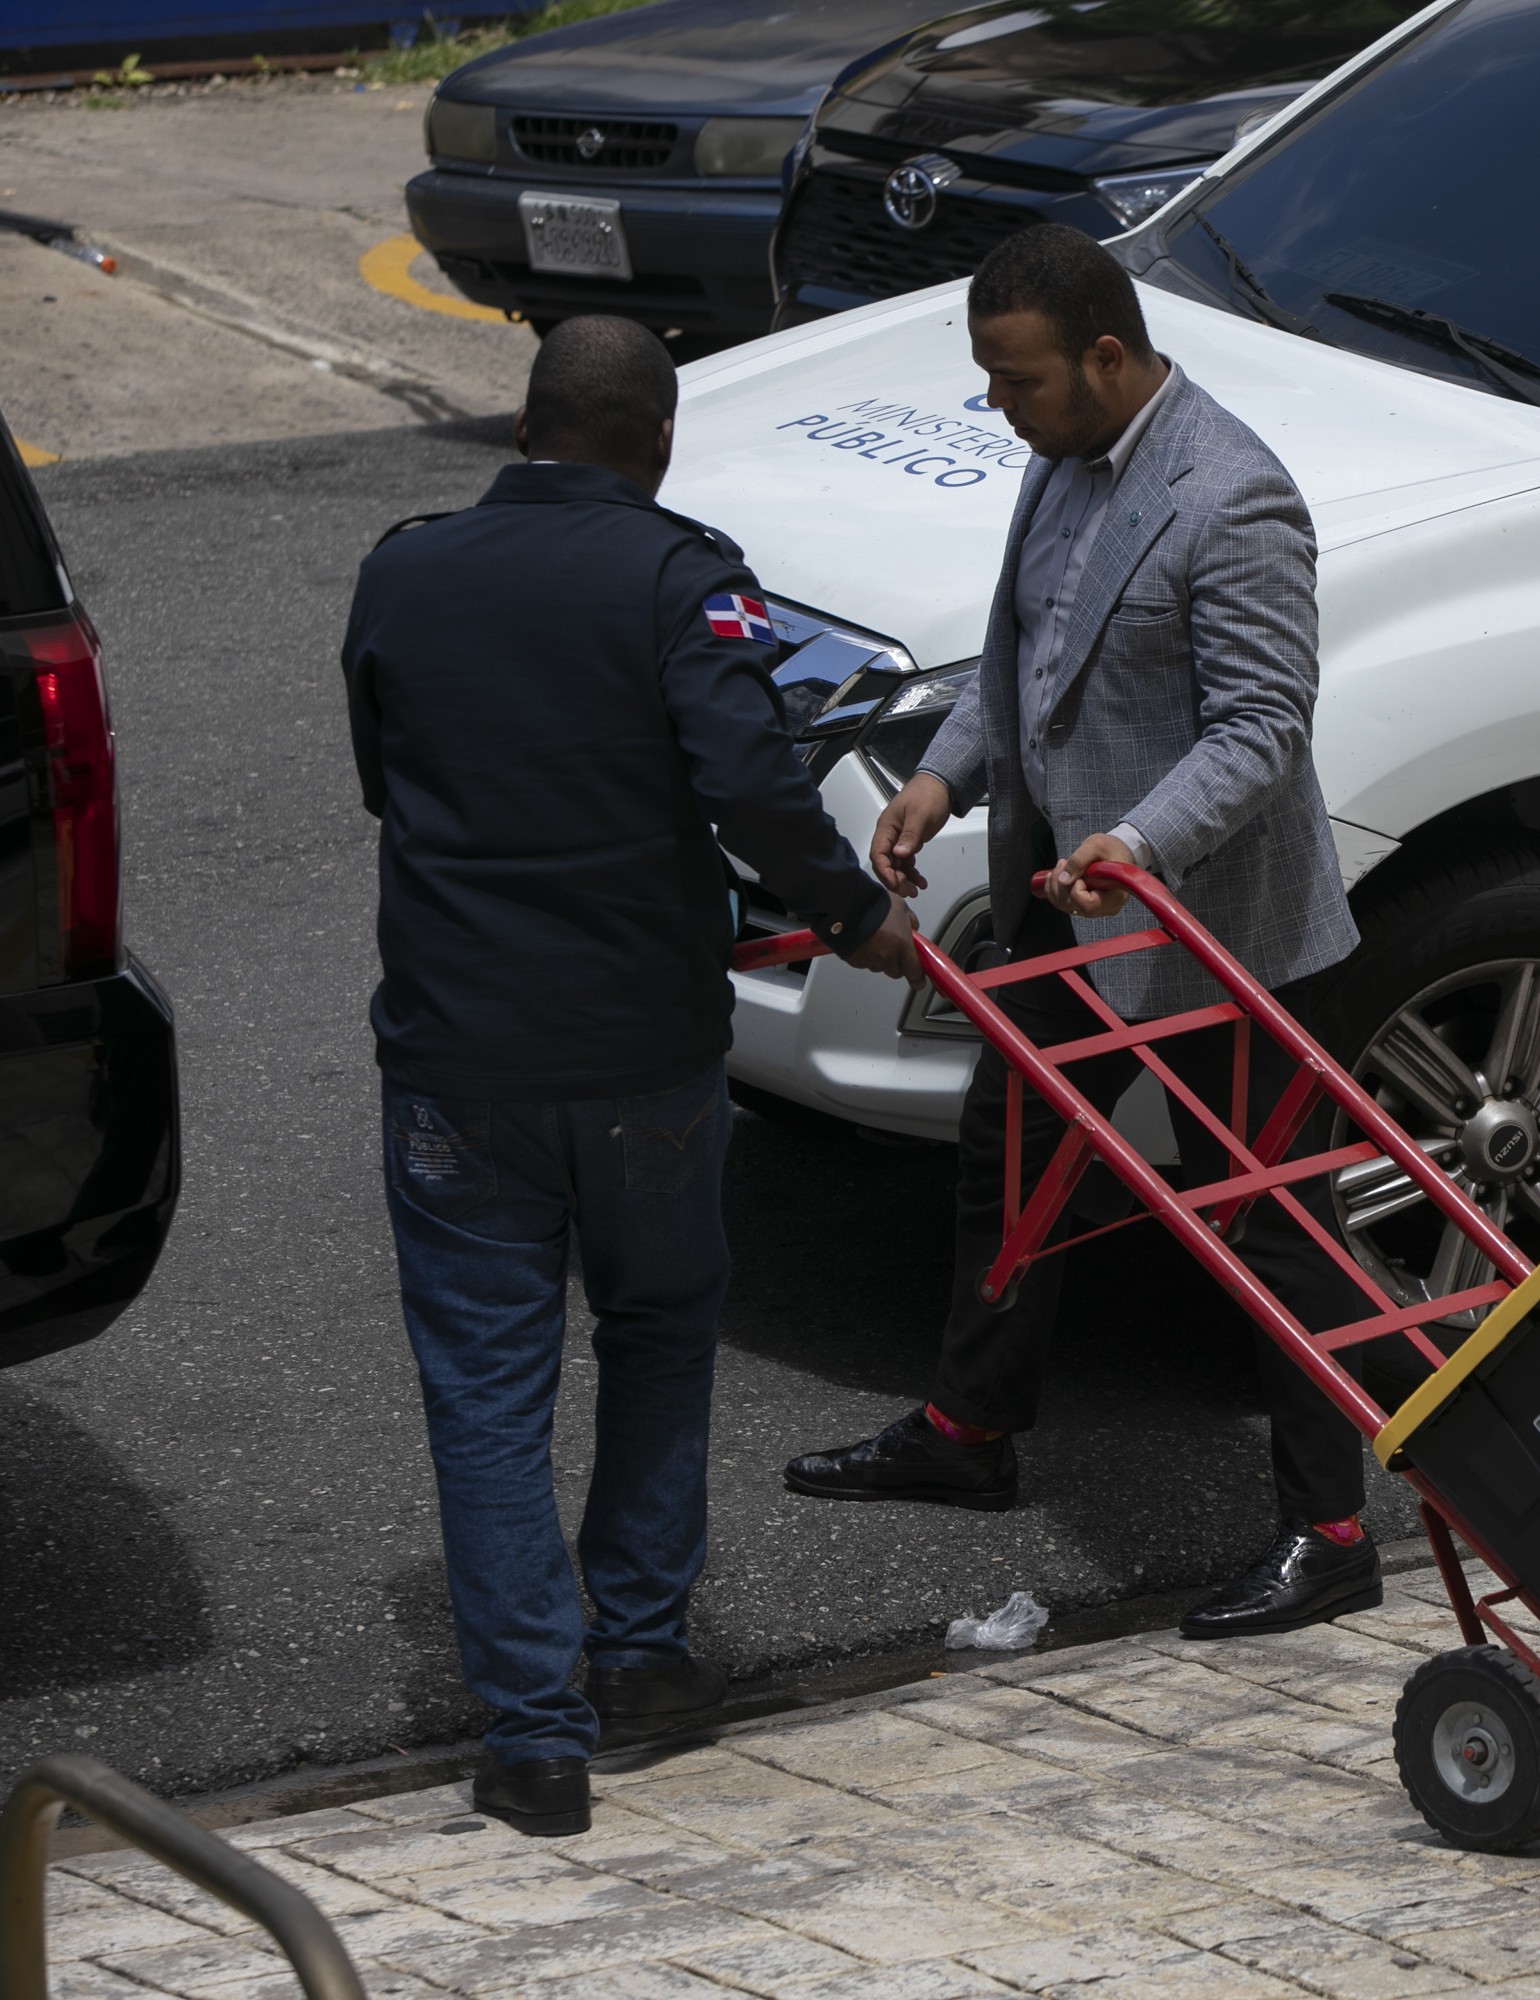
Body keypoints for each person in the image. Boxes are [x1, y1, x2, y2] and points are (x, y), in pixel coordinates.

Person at [343, 315, 920, 1838]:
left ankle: (535, 1746)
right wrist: (855, 918)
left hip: (460, 1051)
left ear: (522, 426)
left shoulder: (404, 569)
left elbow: (384, 778)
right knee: (659, 1331)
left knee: (485, 1387)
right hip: (644, 1053)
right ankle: (645, 1654)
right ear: (660, 443)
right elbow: (751, 780)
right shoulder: (685, 580)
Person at [781, 225, 1383, 1640]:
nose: (1001, 407)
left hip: (1216, 935)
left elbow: (1261, 728)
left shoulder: (1232, 498)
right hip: (1070, 921)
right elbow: (1026, 655)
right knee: (1009, 1161)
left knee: (1271, 1229)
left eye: (1021, 380)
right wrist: (943, 776)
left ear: (1106, 358)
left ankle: (1334, 1533)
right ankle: (969, 1431)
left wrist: (1143, 842)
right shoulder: (1062, 454)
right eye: (992, 379)